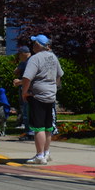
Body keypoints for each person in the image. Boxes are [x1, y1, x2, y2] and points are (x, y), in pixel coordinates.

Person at [21, 34, 63, 165]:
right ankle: (46, 152)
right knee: (47, 127)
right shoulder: (53, 57)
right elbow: (59, 75)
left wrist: (25, 92)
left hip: (37, 95)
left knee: (38, 127)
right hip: (50, 95)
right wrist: (53, 87)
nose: (32, 45)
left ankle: (39, 155)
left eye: (34, 43)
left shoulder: (35, 59)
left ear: (38, 45)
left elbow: (27, 78)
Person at [11, 45, 33, 140]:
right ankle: (29, 131)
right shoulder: (28, 61)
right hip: (27, 89)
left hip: (28, 89)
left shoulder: (28, 62)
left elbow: (31, 77)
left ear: (24, 53)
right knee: (26, 110)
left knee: (27, 110)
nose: (18, 56)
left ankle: (30, 132)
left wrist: (19, 82)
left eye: (19, 54)